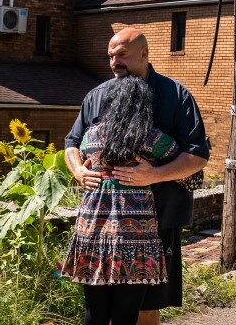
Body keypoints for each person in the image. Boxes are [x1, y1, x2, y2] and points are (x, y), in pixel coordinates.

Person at [64, 27, 209, 325]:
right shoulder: (96, 97)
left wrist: (154, 175)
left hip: (158, 220)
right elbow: (71, 143)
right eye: (111, 56)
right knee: (99, 308)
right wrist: (79, 170)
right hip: (100, 226)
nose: (115, 62)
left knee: (146, 308)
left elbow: (197, 156)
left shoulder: (175, 95)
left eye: (122, 55)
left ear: (144, 54)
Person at [61, 75, 179, 325]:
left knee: (94, 314)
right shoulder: (150, 138)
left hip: (92, 232)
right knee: (126, 316)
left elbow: (76, 152)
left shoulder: (91, 136)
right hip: (135, 236)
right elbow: (188, 165)